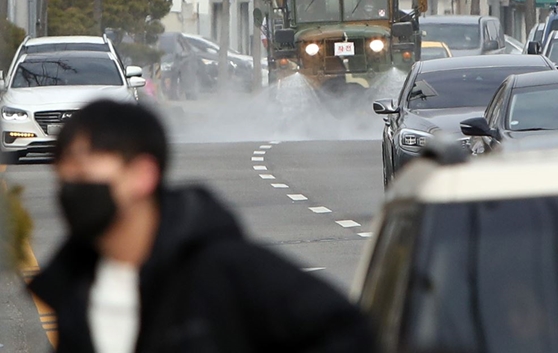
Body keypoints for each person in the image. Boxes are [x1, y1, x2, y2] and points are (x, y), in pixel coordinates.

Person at [28, 100, 376, 352]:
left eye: (86, 169)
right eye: (64, 173)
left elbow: (348, 331)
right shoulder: (72, 289)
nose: (71, 185)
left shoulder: (226, 271)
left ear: (144, 174)